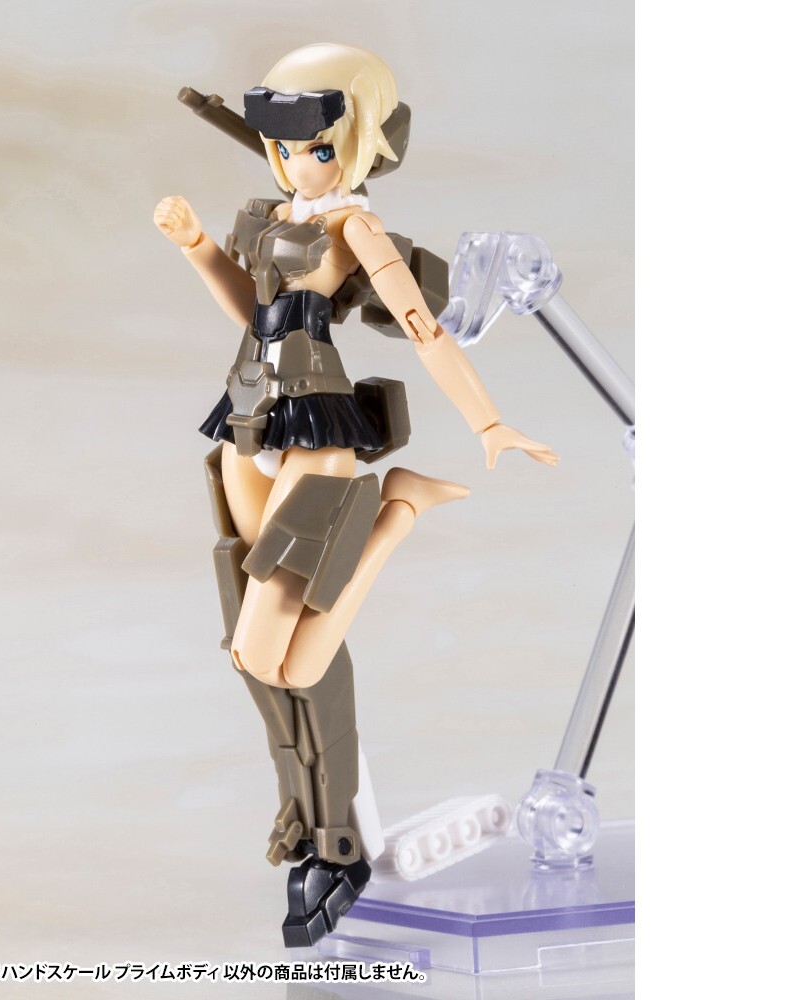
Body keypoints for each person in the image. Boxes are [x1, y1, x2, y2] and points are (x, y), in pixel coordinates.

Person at [153, 42, 556, 947]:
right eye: (284, 145)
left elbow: (425, 331)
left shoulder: (356, 230)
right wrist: (197, 248)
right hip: (245, 426)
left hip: (317, 434)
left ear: (361, 142)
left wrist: (490, 422)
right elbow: (253, 314)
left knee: (277, 660)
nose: (298, 162)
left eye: (320, 147)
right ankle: (320, 832)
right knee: (264, 652)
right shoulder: (270, 216)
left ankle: (398, 508)